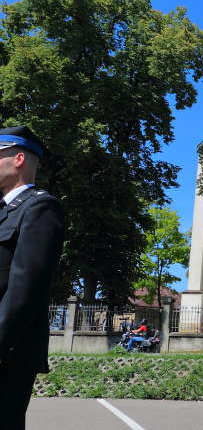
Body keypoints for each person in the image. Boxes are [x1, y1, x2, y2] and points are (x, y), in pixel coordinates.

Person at [0, 125, 65, 430]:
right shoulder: (4, 211)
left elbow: (26, 290)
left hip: (8, 356)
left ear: (19, 159)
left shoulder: (40, 207)